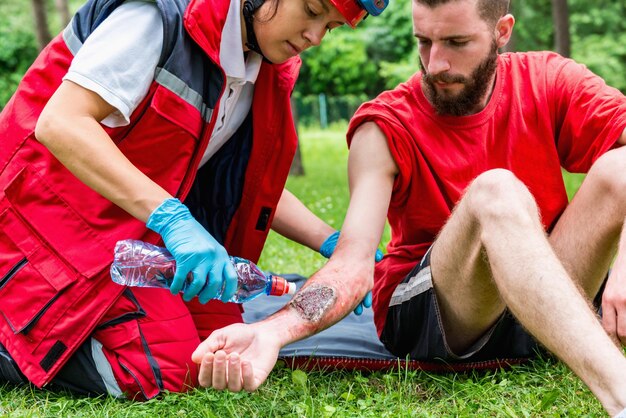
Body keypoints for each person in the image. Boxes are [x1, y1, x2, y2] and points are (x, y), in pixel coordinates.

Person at [193, 0, 626, 415]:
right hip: (439, 314)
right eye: (424, 42)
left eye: (457, 43)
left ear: (502, 33)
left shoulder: (548, 79)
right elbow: (352, 266)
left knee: (617, 167)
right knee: (497, 190)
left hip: (543, 303)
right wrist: (270, 332)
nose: (436, 63)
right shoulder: (384, 127)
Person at [0, 0, 388, 400]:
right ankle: (10, 339)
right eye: (311, 10)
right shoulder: (156, 19)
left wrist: (334, 245)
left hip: (132, 238)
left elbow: (248, 184)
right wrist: (173, 220)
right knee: (166, 369)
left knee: (221, 344)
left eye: (332, 27)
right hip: (43, 226)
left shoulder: (261, 64)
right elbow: (60, 122)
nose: (315, 37)